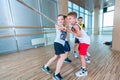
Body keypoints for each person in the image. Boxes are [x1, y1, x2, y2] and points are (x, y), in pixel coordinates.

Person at [41, 14, 67, 80]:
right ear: (57, 21)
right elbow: (60, 28)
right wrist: (64, 28)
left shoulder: (64, 25)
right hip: (57, 43)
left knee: (56, 57)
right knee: (63, 56)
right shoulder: (57, 25)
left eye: (62, 19)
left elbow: (65, 28)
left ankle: (45, 66)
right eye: (59, 19)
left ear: (64, 20)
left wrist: (66, 28)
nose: (60, 20)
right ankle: (56, 74)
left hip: (60, 44)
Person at [67, 12, 90, 77]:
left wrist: (71, 32)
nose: (69, 20)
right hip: (84, 41)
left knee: (81, 56)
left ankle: (84, 71)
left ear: (75, 19)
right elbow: (73, 31)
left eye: (70, 19)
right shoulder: (74, 25)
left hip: (84, 41)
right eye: (68, 19)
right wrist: (68, 30)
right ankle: (86, 57)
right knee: (80, 51)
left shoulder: (75, 25)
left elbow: (79, 35)